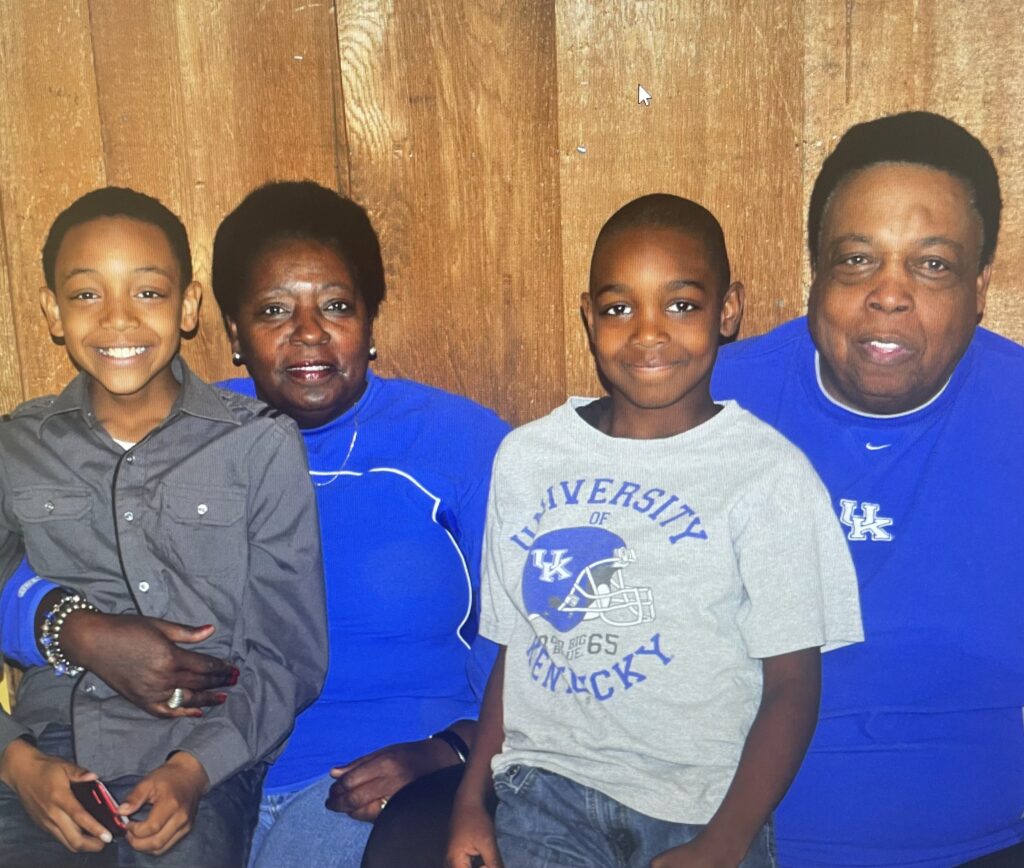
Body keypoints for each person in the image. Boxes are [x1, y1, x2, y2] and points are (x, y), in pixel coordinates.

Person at [2, 181, 510, 868]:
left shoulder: (462, 445)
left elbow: (535, 636)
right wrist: (73, 626)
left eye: (336, 306)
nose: (308, 332)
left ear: (370, 320)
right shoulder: (187, 432)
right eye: (274, 310)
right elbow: (44, 553)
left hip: (372, 785)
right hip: (197, 770)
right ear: (232, 330)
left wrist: (451, 748)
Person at [447, 194, 863, 868]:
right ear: (589, 315)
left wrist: (725, 844)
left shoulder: (767, 475)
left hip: (704, 809)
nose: (647, 334)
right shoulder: (528, 459)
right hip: (548, 792)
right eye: (618, 308)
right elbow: (519, 650)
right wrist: (471, 802)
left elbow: (793, 685)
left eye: (680, 304)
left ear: (727, 310)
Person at [711, 112, 1024, 867]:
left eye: (933, 265)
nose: (889, 295)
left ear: (981, 287)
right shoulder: (708, 406)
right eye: (857, 260)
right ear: (816, 270)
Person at [0, 187, 327, 866]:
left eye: (147, 292)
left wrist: (194, 771)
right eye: (87, 295)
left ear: (188, 306)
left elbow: (287, 654)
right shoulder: (15, 448)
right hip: (46, 753)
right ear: (52, 314)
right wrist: (16, 763)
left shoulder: (258, 445)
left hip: (201, 758)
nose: (118, 319)